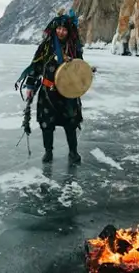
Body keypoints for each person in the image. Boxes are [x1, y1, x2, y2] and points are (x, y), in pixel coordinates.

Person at [22, 9, 85, 164]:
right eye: (58, 28)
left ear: (69, 31)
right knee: (47, 124)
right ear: (54, 28)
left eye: (64, 29)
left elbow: (80, 68)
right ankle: (48, 152)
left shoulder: (74, 48)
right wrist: (30, 87)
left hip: (68, 93)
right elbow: (36, 66)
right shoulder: (46, 46)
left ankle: (73, 152)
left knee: (71, 123)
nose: (61, 32)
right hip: (48, 92)